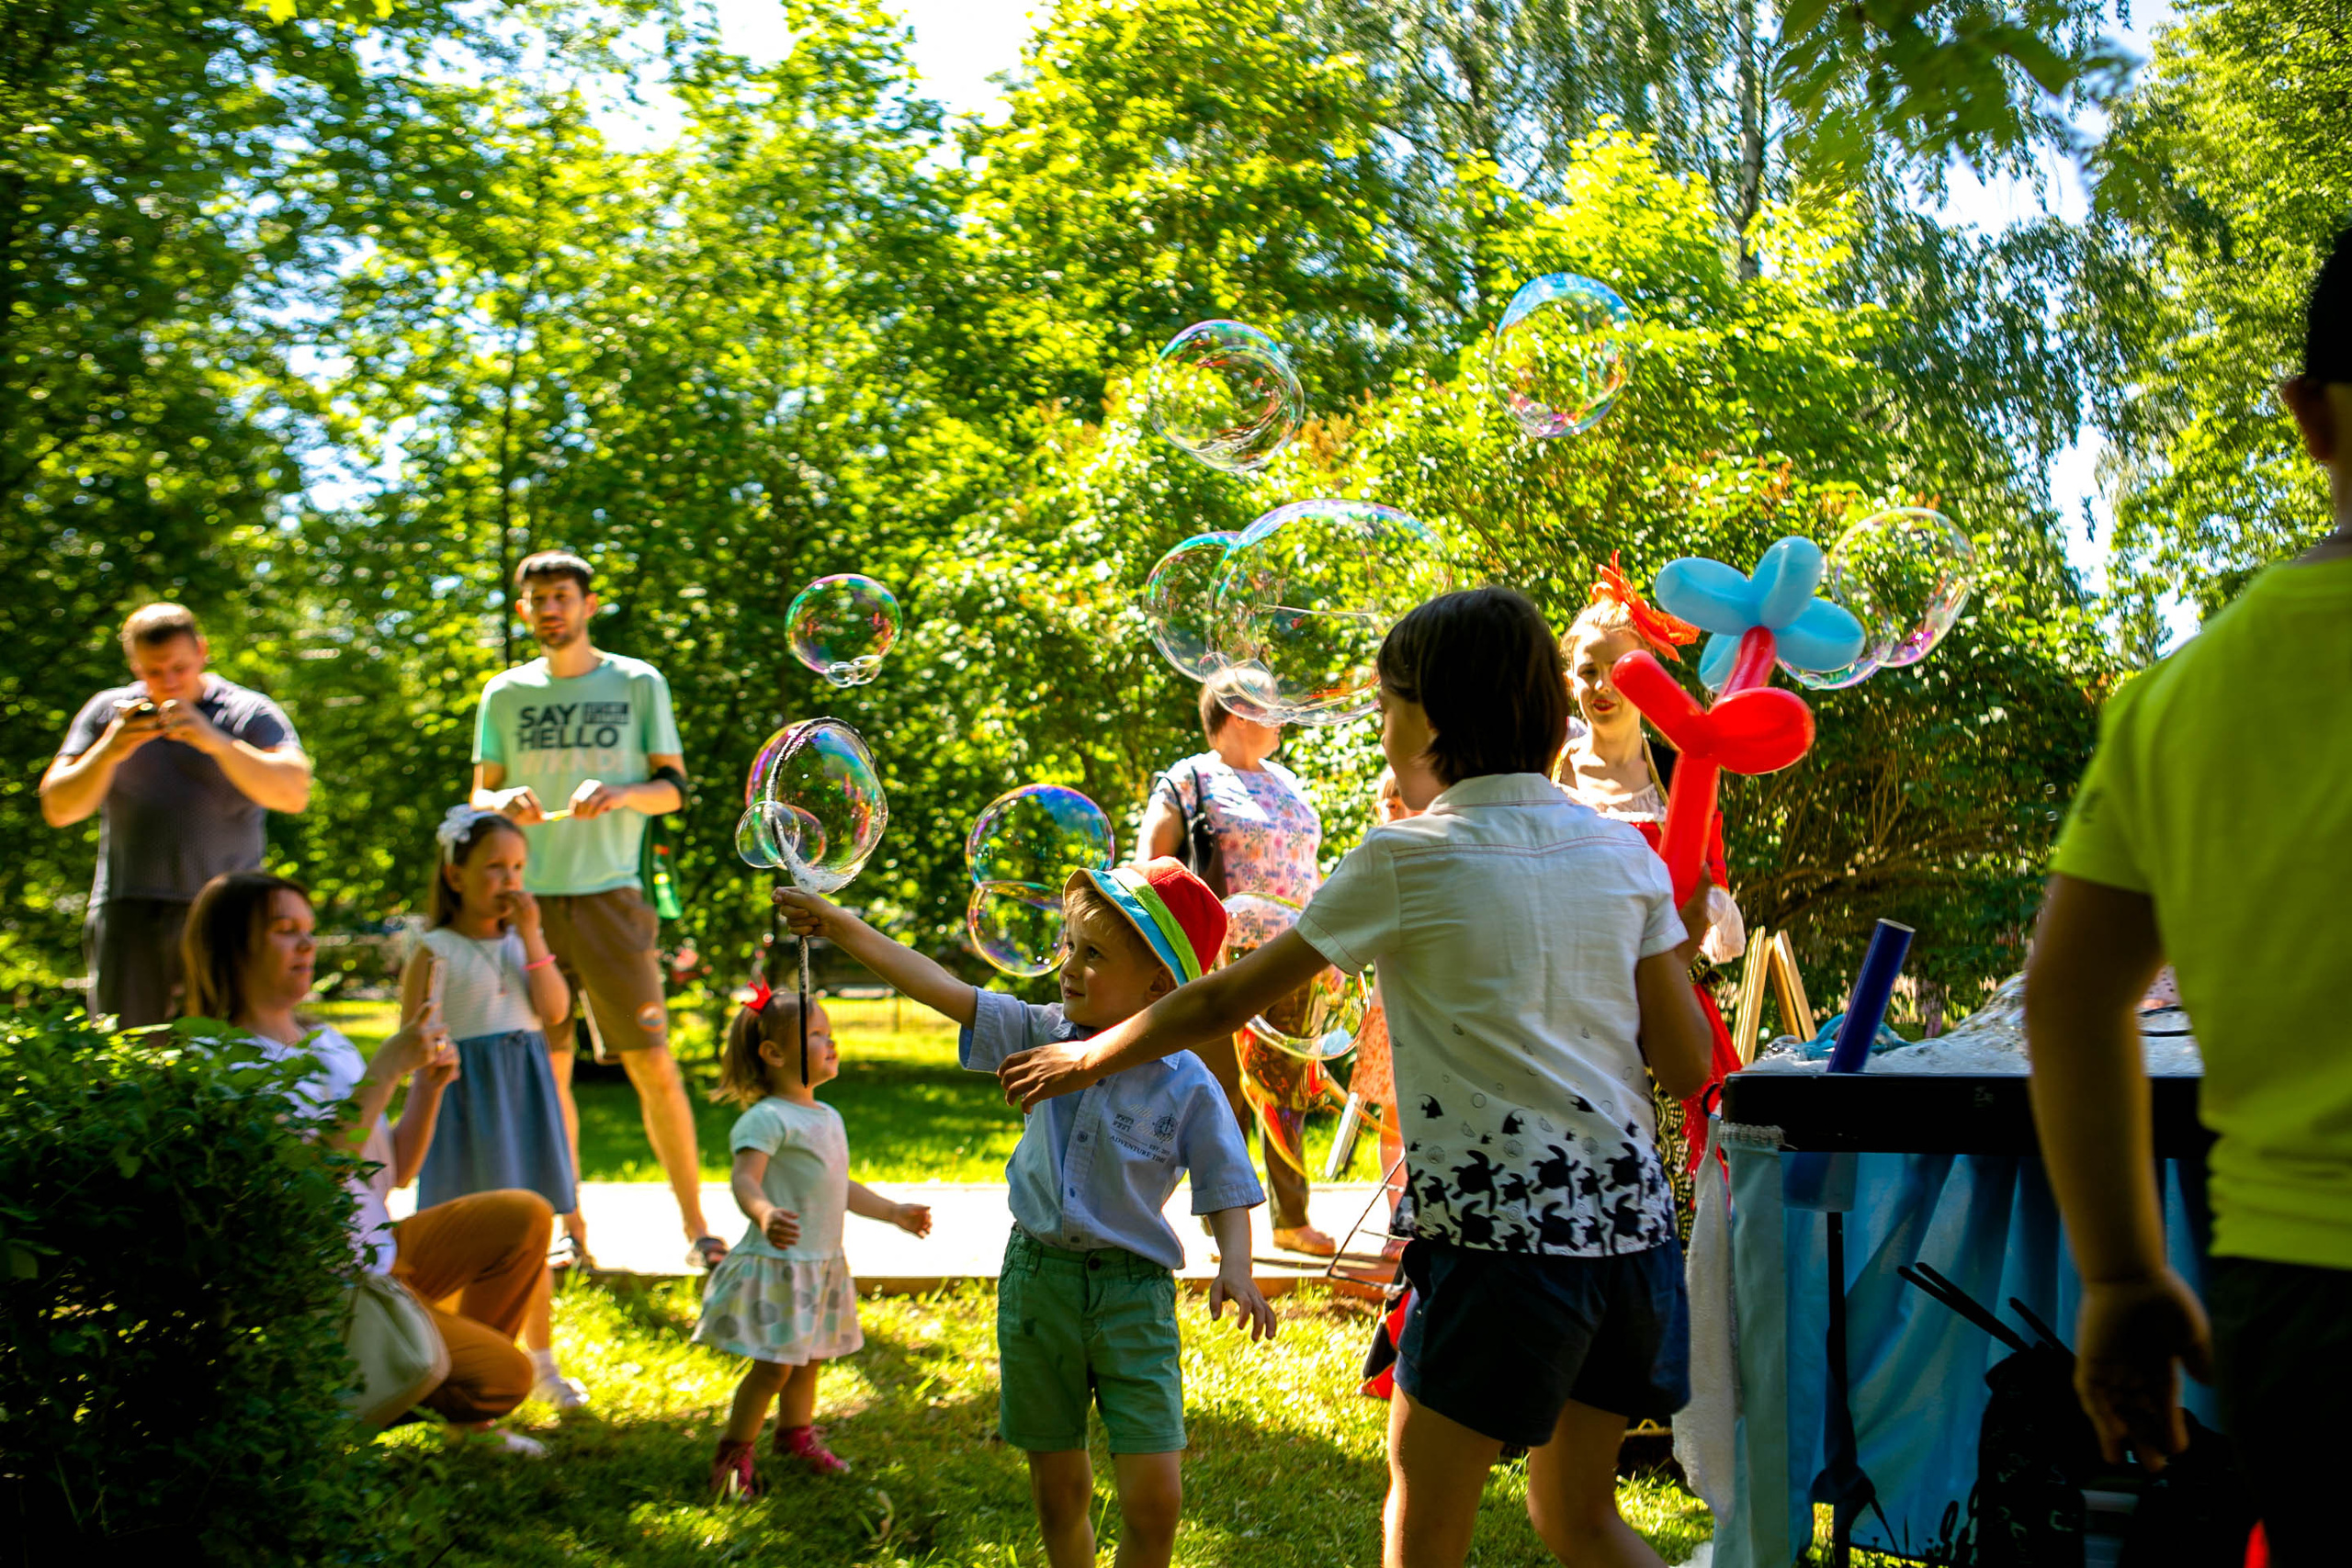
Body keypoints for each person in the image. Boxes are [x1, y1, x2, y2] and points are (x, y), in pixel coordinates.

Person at [1001, 587, 1718, 1568]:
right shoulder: (1625, 855)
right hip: (1631, 1249)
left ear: (1430, 714)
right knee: (1580, 1518)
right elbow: (1685, 1063)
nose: (1382, 725)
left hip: (1497, 1249)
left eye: (1386, 703)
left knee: (1422, 1532)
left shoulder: (1406, 857)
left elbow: (1221, 1000)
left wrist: (1089, 1051)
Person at [2024, 227, 2352, 1560]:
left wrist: (2119, 1271)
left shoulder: (2184, 695)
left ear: (2309, 415)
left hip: (2304, 1298)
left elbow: (2070, 990)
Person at [775, 858, 1279, 1568]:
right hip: (1038, 1284)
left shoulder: (1187, 1079)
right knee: (1057, 1490)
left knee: (1156, 1498)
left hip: (1133, 1297)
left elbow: (1226, 1181)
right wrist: (839, 923)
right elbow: (936, 985)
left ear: (1161, 984)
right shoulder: (1037, 1027)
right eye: (1070, 945)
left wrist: (1237, 1266)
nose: (1069, 966)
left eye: (1094, 953)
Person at [181, 871, 554, 1454]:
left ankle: (431, 1369)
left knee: (522, 1215)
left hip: (380, 1254)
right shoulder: (219, 1060)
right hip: (325, 1286)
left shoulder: (326, 1042)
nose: (307, 946)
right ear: (231, 946)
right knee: (507, 1376)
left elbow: (394, 1172)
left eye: (309, 931)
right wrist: (384, 1072)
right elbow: (302, 1190)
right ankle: (371, 1390)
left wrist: (427, 1088)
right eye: (285, 931)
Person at [468, 550, 716, 1269]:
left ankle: (699, 1229)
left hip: (611, 898)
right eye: (538, 599)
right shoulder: (504, 693)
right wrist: (499, 802)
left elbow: (671, 789)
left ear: (588, 603)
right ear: (523, 611)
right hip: (526, 906)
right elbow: (478, 795)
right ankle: (571, 1232)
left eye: (562, 596)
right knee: (550, 1073)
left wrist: (619, 791)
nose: (550, 609)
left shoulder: (638, 682)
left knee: (653, 1066)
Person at [1553, 560, 1745, 1190]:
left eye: (1620, 672)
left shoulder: (1684, 767)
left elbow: (1710, 875)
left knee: (1694, 1175)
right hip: (1569, 1000)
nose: (1602, 686)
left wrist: (1712, 902)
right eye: (1587, 671)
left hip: (1667, 995)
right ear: (1567, 680)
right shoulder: (1548, 772)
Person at [697, 989, 933, 1497]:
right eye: (817, 1035)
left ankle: (795, 1436)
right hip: (782, 1263)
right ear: (775, 1055)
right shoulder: (767, 1118)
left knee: (809, 1359)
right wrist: (763, 1213)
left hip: (821, 1262)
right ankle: (734, 1452)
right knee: (776, 1365)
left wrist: (892, 1212)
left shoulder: (826, 1116)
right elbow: (744, 1179)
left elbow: (837, 1184)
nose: (832, 1042)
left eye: (828, 1032)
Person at [42, 603, 311, 1026]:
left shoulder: (246, 712)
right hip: (130, 910)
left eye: (179, 668)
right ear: (134, 664)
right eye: (153, 672)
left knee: (228, 1044)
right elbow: (58, 808)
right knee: (128, 1050)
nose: (167, 682)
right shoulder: (109, 713)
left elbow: (294, 793)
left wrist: (214, 741)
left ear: (202, 651)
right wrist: (110, 750)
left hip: (227, 917)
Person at [1137, 680, 1334, 1255]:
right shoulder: (1189, 778)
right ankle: (1221, 1217)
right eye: (1271, 704)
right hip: (1221, 961)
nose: (1283, 717)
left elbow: (1306, 867)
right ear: (1238, 712)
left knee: (1289, 1087)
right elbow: (1153, 867)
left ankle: (1292, 1220)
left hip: (1295, 954)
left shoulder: (1288, 782)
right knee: (1221, 1089)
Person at [406, 806, 586, 1408]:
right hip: (467, 1106)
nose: (509, 881)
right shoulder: (435, 948)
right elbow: (415, 1032)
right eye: (493, 868)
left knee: (531, 1234)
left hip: (524, 1096)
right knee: (478, 1237)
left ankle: (542, 1360)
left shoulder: (522, 944)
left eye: (518, 867)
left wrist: (534, 935)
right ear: (455, 874)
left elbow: (557, 1010)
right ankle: (459, 1362)